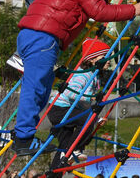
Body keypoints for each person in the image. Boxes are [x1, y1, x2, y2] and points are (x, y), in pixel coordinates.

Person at [14, 0, 140, 156]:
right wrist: (131, 10)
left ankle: (22, 132)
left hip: (33, 33)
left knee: (42, 87)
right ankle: (23, 138)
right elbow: (99, 10)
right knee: (36, 88)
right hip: (44, 36)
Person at [47, 38, 111, 169]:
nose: (109, 60)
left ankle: (56, 171)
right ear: (92, 59)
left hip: (67, 109)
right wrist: (90, 100)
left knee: (64, 147)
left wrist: (95, 116)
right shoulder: (84, 74)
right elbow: (71, 94)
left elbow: (82, 104)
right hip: (59, 109)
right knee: (88, 120)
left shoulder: (95, 76)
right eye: (105, 56)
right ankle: (73, 149)